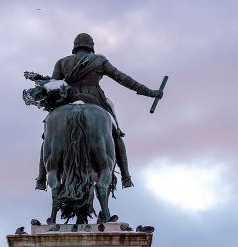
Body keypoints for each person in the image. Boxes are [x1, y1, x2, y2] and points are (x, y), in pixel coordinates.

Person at [30, 33, 161, 190]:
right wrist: (149, 92)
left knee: (48, 136)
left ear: (75, 46)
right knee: (116, 133)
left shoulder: (62, 62)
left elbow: (54, 85)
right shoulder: (99, 61)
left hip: (68, 98)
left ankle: (41, 178)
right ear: (91, 46)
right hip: (94, 99)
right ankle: (126, 176)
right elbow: (123, 79)